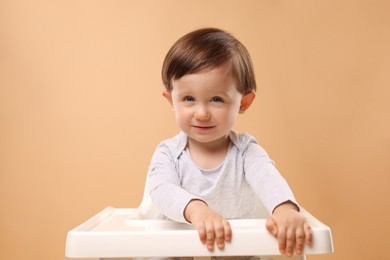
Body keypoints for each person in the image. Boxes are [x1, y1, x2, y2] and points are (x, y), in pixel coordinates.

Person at [148, 27, 312, 258]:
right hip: (176, 248)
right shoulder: (168, 153)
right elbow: (161, 190)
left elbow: (268, 177)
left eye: (216, 99)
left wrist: (284, 209)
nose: (202, 113)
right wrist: (196, 210)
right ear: (171, 100)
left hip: (232, 248)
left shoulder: (246, 152)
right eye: (188, 99)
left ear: (244, 102)